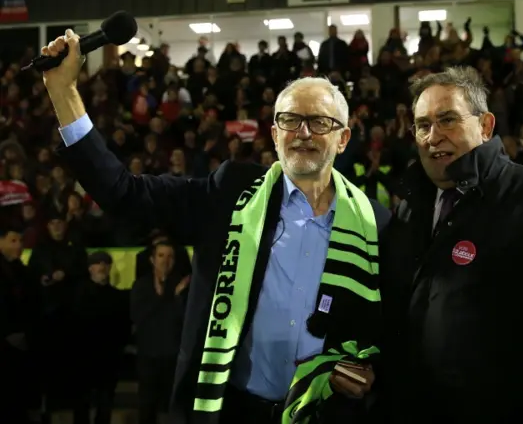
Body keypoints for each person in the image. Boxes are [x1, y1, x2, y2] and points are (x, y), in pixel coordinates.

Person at [42, 29, 391, 424]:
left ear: (343, 138)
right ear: (275, 135)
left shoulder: (375, 224)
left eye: (319, 122)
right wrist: (63, 91)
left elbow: (385, 332)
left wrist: (370, 368)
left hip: (326, 415)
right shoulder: (230, 192)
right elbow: (125, 193)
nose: (303, 133)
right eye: (291, 120)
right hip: (232, 412)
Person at [379, 66, 523, 424]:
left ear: (486, 126)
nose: (432, 136)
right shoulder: (410, 208)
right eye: (423, 125)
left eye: (447, 120)